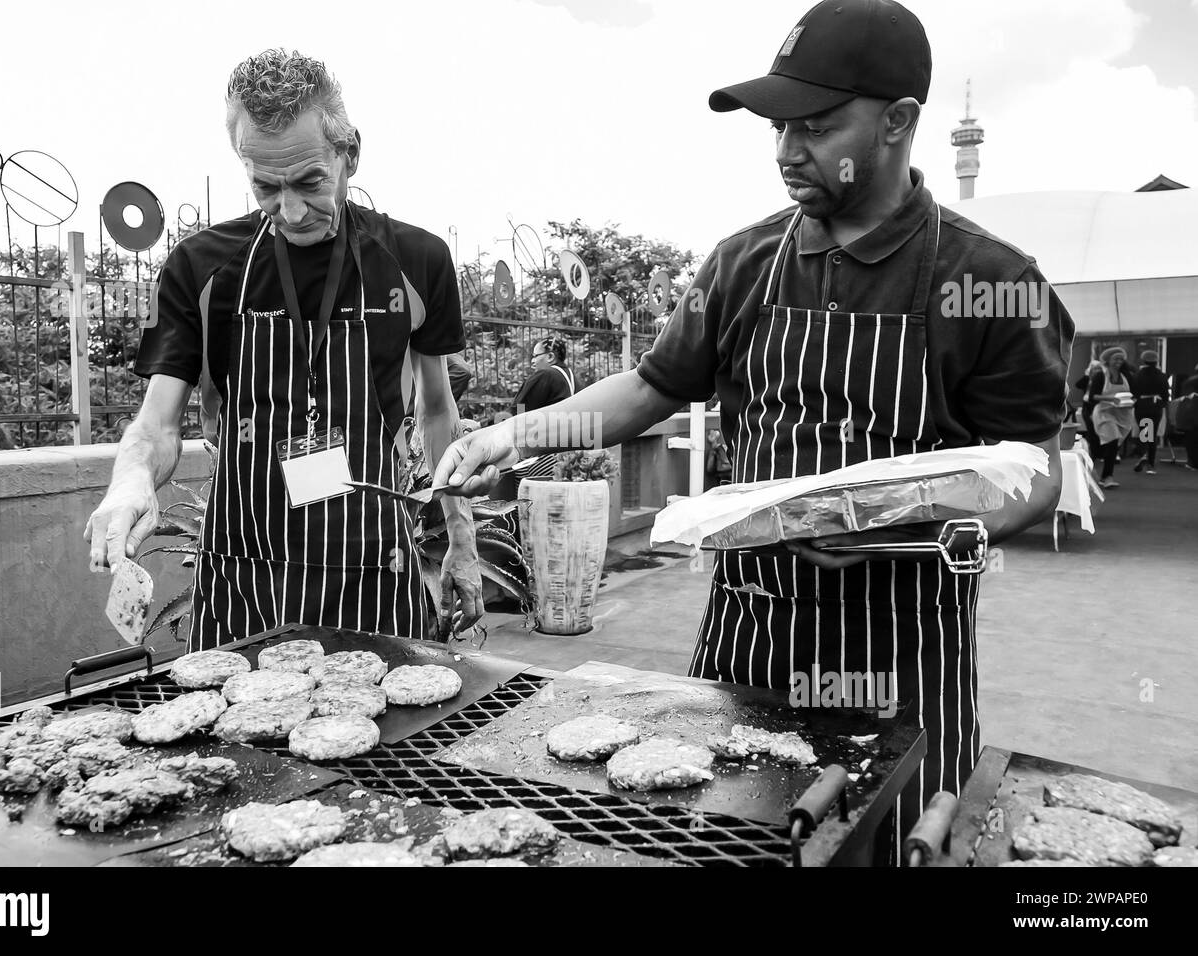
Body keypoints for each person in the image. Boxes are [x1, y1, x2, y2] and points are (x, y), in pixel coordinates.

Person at [435, 0, 1070, 846]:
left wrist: (903, 524)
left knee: (889, 843)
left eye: (815, 124)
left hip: (903, 657)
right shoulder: (742, 264)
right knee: (725, 838)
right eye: (776, 126)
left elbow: (1038, 472)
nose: (786, 151)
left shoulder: (992, 283)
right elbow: (650, 388)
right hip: (750, 637)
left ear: (899, 122)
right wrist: (515, 436)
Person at [85, 49, 482, 648]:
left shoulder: (417, 262)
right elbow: (156, 427)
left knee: (390, 726)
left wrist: (461, 539)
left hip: (375, 565)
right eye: (266, 186)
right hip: (244, 572)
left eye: (309, 182)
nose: (291, 211)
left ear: (350, 155)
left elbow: (435, 413)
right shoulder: (202, 268)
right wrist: (130, 483)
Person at [511, 337, 576, 479]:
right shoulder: (572, 378)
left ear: (550, 356)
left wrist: (484, 425)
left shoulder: (546, 374)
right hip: (571, 457)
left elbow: (518, 411)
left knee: (526, 496)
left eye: (535, 356)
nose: (532, 361)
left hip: (544, 458)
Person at [1085, 347, 1135, 488]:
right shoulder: (1100, 376)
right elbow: (1092, 396)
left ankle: (1099, 472)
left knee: (1111, 445)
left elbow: (1134, 393)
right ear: (1108, 361)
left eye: (1121, 359)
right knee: (1112, 442)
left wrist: (1132, 401)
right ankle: (1107, 477)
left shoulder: (1127, 376)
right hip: (1104, 413)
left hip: (1123, 414)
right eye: (1115, 359)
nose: (1119, 361)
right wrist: (1111, 398)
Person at [1130, 350, 1169, 475]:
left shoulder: (1137, 375)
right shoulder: (1162, 375)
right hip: (1155, 406)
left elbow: (1133, 392)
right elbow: (1165, 394)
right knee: (1152, 434)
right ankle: (1150, 463)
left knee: (1144, 432)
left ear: (1143, 360)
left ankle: (1144, 454)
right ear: (1156, 361)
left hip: (1141, 406)